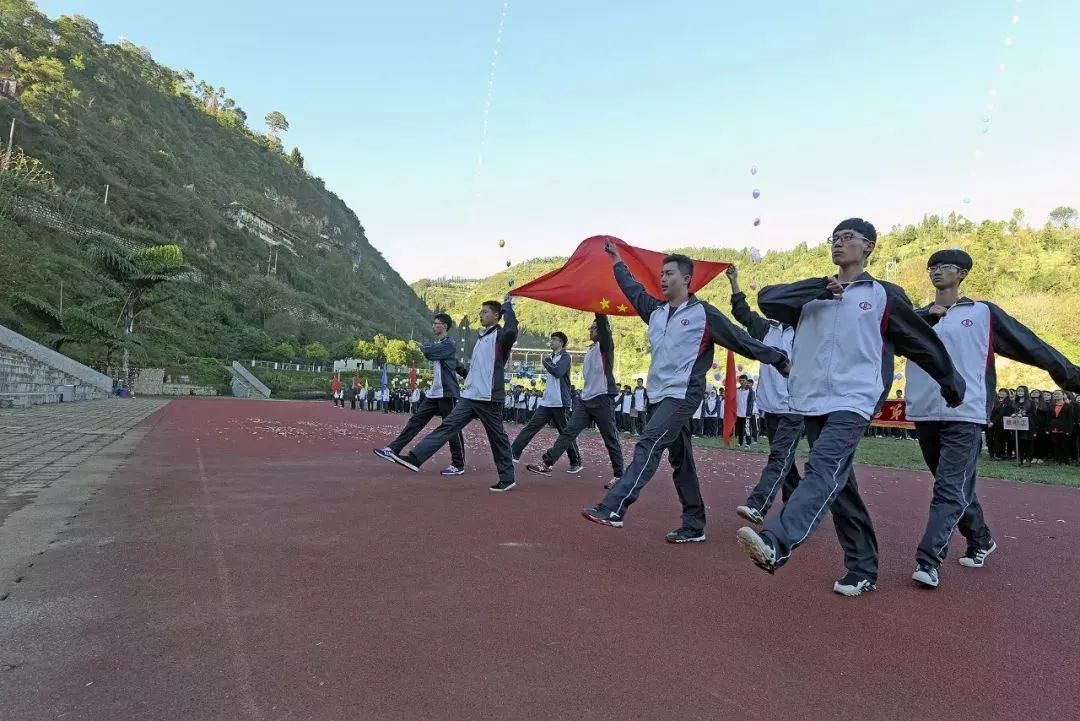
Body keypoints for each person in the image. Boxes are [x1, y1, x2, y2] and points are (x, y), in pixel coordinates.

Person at [736, 218, 966, 596]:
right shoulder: (811, 296)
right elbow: (767, 300)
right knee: (839, 486)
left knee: (823, 467)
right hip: (812, 400)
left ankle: (777, 542)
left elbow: (920, 340)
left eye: (848, 238)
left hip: (855, 398)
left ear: (869, 247)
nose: (839, 244)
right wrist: (819, 290)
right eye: (835, 238)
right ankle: (862, 567)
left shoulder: (883, 294)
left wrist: (950, 384)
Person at [582, 240, 789, 543]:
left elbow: (741, 340)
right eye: (661, 274)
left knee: (649, 443)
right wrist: (616, 260)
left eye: (669, 273)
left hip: (683, 394)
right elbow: (632, 288)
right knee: (681, 461)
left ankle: (614, 506)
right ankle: (694, 525)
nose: (663, 279)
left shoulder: (705, 314)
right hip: (657, 395)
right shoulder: (654, 310)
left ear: (687, 279)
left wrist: (780, 359)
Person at [905, 249, 1080, 587]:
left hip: (966, 413)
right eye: (932, 267)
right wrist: (926, 318)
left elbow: (1032, 346)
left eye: (945, 267)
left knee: (948, 487)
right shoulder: (915, 316)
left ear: (963, 274)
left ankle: (928, 561)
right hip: (925, 411)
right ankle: (981, 539)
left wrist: (1072, 376)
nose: (936, 272)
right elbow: (888, 342)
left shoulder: (983, 313)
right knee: (956, 488)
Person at [386, 299, 519, 491]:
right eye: (480, 312)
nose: (480, 315)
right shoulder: (481, 337)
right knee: (447, 426)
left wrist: (508, 307)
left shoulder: (501, 336)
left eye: (485, 312)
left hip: (489, 398)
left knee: (497, 438)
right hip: (470, 396)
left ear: (497, 316)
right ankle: (415, 458)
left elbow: (512, 330)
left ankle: (507, 478)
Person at [726, 264, 802, 526]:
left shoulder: (806, 330)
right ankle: (797, 509)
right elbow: (742, 314)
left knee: (779, 457)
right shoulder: (766, 329)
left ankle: (758, 504)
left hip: (796, 408)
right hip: (770, 406)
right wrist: (735, 281)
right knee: (786, 462)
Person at [526, 314, 624, 486]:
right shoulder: (591, 349)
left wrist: (599, 310)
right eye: (591, 328)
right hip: (585, 400)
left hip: (602, 399)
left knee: (610, 438)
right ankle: (547, 463)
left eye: (593, 328)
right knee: (568, 432)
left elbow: (603, 326)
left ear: (602, 330)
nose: (590, 330)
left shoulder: (605, 347)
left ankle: (619, 475)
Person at [375, 313, 468, 476]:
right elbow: (454, 363)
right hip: (434, 393)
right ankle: (392, 449)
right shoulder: (442, 345)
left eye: (436, 323)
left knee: (451, 428)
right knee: (416, 420)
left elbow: (429, 353)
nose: (433, 326)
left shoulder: (449, 344)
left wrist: (425, 348)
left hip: (447, 393)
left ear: (444, 326)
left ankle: (458, 464)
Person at [509, 332, 583, 471]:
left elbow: (558, 372)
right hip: (547, 402)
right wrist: (549, 361)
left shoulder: (565, 357)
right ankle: (513, 453)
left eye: (555, 340)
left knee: (565, 433)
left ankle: (576, 461)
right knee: (531, 427)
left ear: (561, 343)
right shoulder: (552, 357)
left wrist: (547, 362)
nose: (551, 342)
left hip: (560, 402)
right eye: (551, 339)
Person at [734, 376, 755, 448]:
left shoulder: (750, 391)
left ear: (746, 381)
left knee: (747, 429)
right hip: (738, 413)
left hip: (746, 414)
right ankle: (740, 442)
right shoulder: (737, 390)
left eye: (743, 380)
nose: (742, 382)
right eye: (740, 380)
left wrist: (748, 413)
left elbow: (750, 403)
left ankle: (748, 443)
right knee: (740, 429)